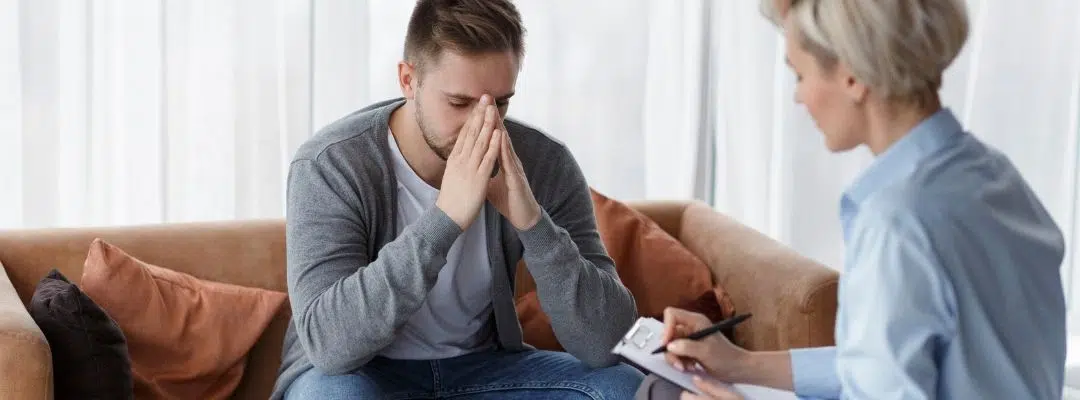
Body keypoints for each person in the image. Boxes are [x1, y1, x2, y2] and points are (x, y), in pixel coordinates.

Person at [637, 0, 1067, 399]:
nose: (798, 97)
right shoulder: (994, 177)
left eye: (800, 75)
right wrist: (739, 364)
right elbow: (881, 364)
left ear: (852, 77)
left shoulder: (897, 222)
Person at [270, 0, 645, 399]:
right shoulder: (332, 164)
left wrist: (533, 224)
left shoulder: (542, 163)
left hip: (486, 371)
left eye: (500, 102)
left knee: (626, 388)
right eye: (459, 103)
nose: (484, 124)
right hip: (362, 376)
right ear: (408, 80)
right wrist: (445, 218)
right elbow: (330, 347)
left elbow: (608, 344)